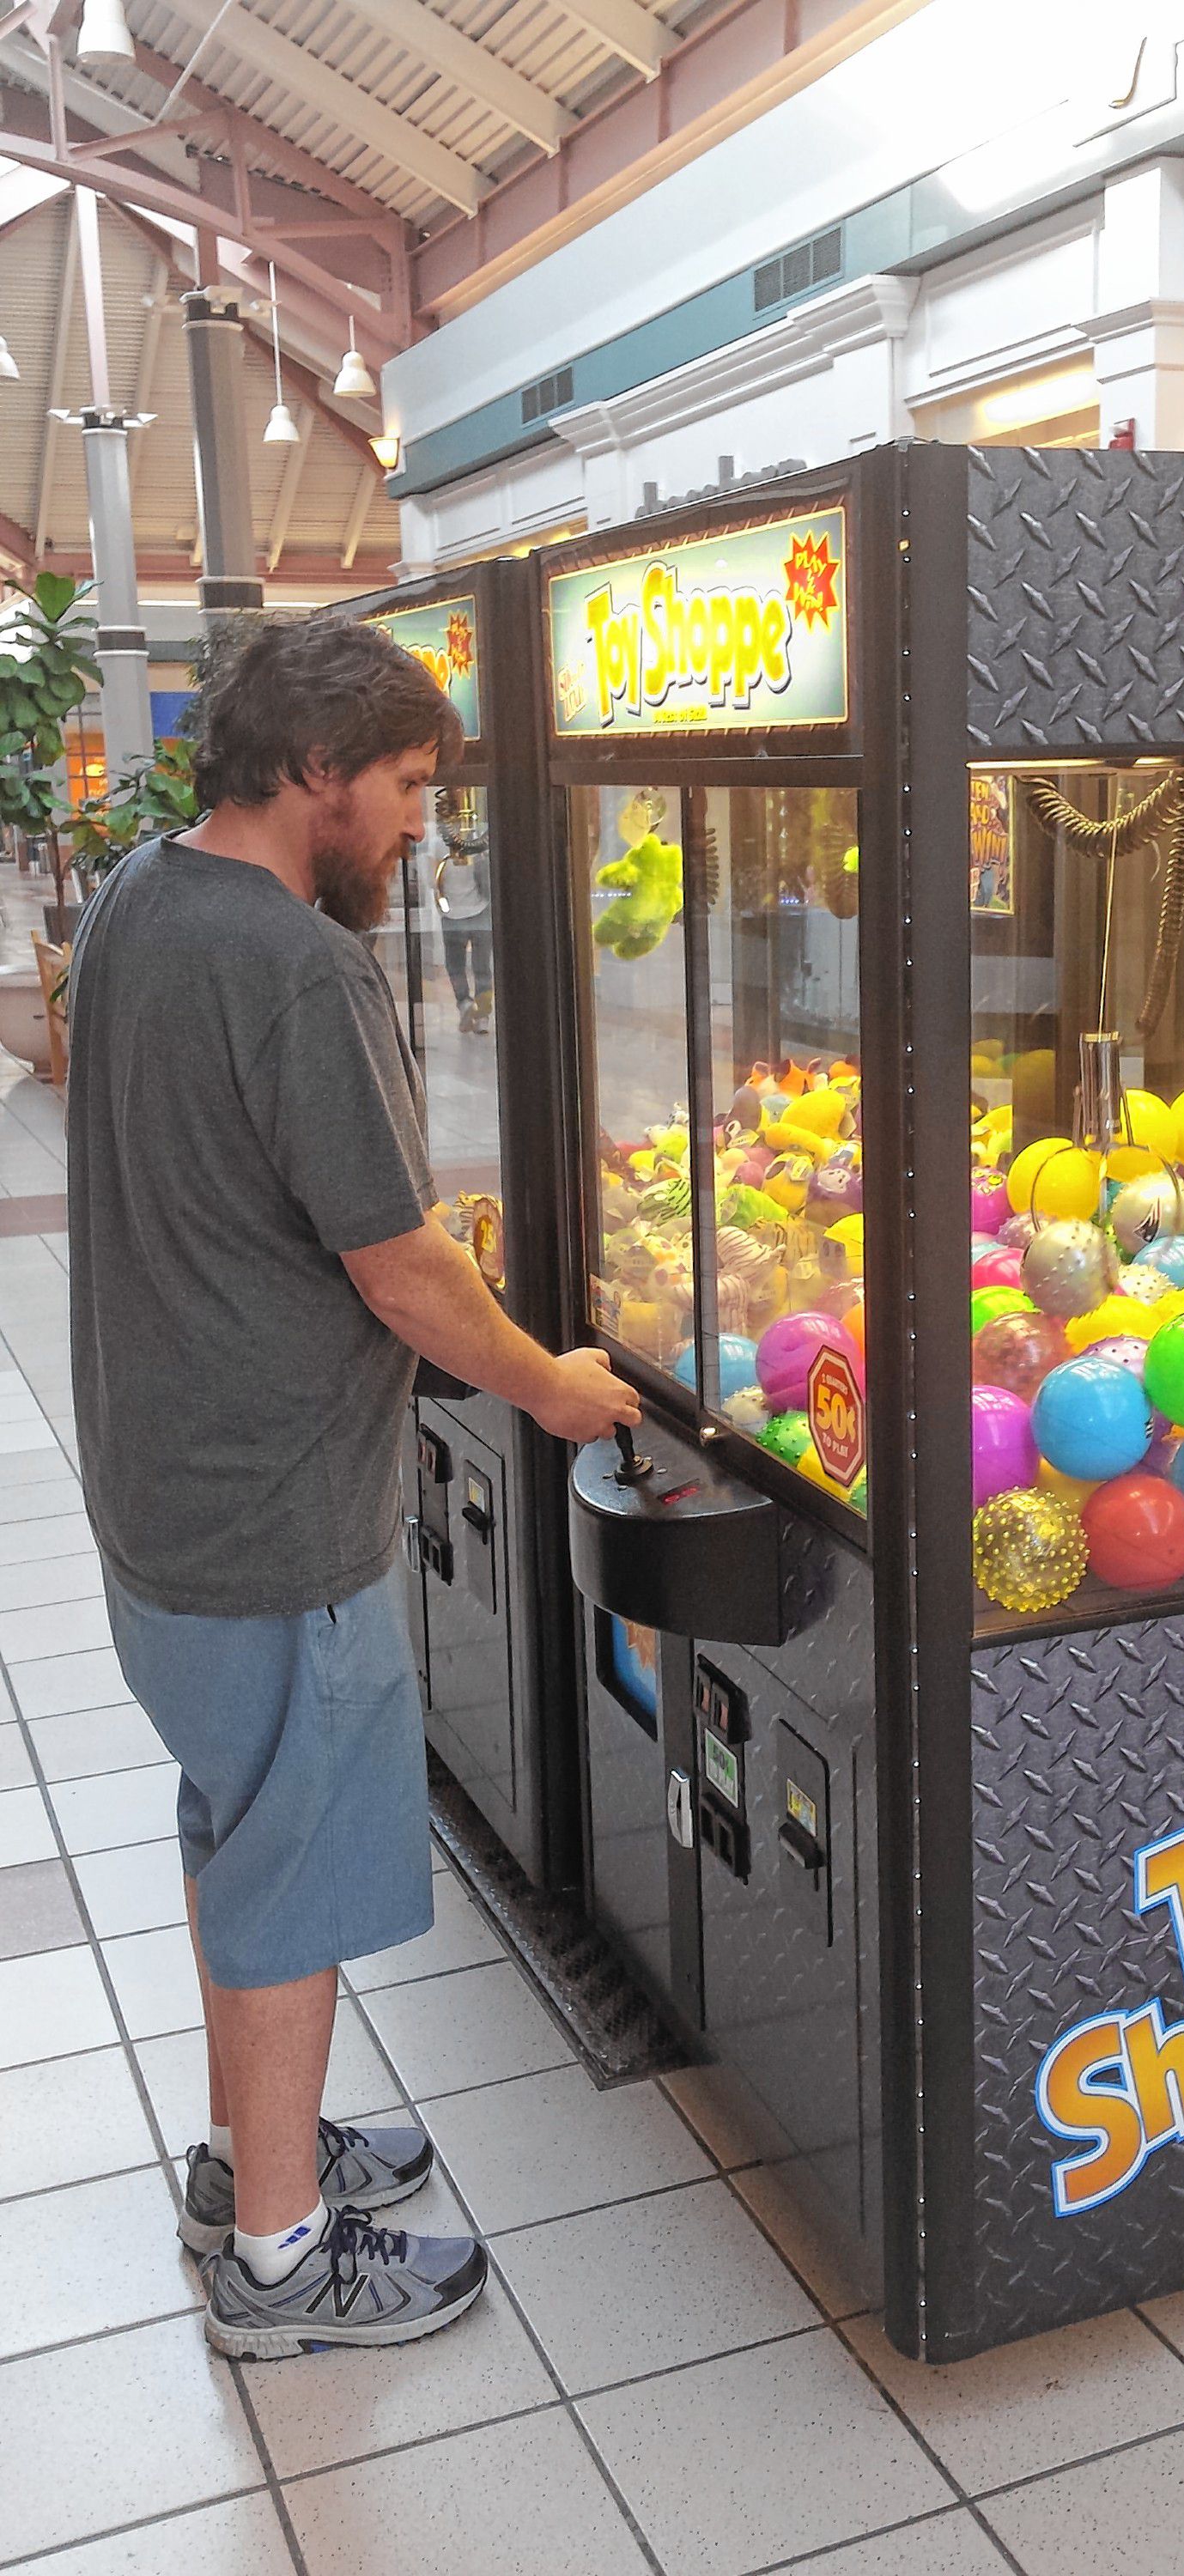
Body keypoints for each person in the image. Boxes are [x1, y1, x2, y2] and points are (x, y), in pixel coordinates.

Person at [65, 615, 641, 2362]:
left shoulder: (136, 902)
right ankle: (279, 2257)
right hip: (272, 1514)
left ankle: (254, 2155)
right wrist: (549, 1383)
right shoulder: (302, 970)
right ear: (317, 771)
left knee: (235, 1831)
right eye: (403, 786)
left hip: (162, 1488)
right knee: (292, 1872)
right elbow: (396, 1270)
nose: (416, 825)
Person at [433, 794, 493, 1032]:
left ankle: (465, 1003)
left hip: (452, 915)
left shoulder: (438, 844)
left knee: (455, 965)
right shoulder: (476, 840)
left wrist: (443, 905)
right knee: (482, 967)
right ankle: (483, 1017)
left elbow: (432, 881)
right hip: (479, 911)